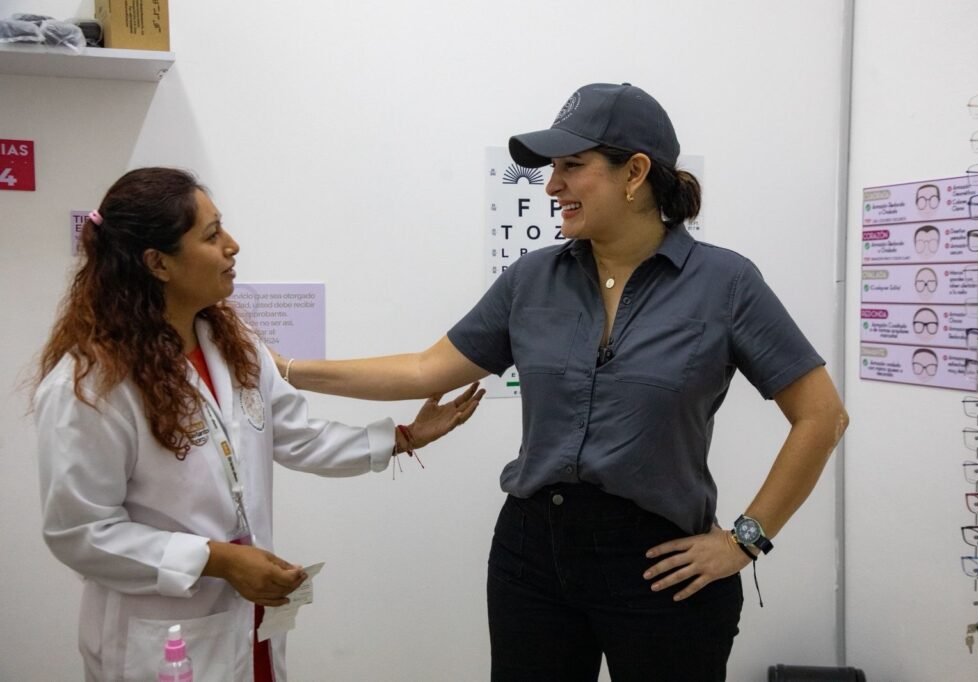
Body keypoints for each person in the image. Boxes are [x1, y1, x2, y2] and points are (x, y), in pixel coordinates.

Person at [278, 83, 849, 681]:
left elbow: (822, 416)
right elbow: (425, 370)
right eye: (553, 169)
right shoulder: (531, 279)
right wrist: (285, 369)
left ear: (635, 173)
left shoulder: (726, 284)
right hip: (532, 558)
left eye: (572, 166)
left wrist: (743, 542)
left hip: (661, 567)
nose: (552, 186)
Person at [33, 167, 483, 682]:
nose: (233, 245)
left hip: (247, 625)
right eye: (211, 235)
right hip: (160, 635)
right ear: (158, 263)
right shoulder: (92, 386)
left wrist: (404, 438)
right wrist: (216, 559)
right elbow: (81, 533)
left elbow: (299, 437)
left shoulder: (234, 346)